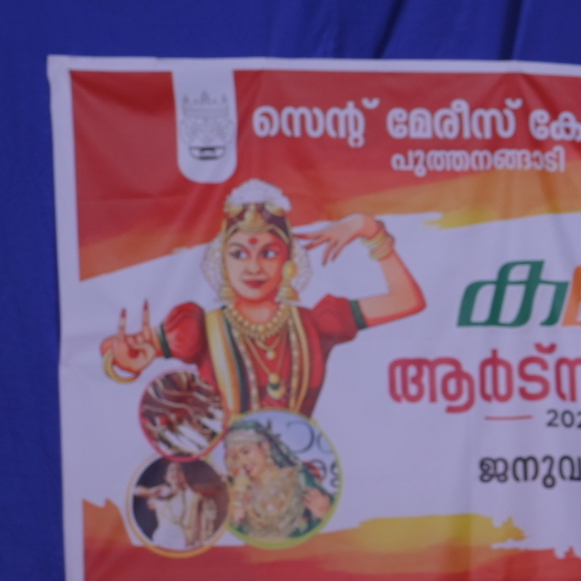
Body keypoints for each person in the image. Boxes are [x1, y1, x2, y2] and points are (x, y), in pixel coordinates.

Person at [98, 179, 426, 419]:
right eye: (239, 254)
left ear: (288, 262)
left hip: (301, 481)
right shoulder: (199, 330)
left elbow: (407, 299)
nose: (253, 267)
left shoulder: (317, 324)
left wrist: (368, 229)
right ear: (222, 263)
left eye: (268, 253)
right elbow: (111, 349)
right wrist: (127, 358)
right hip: (225, 482)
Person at [221, 415, 336, 545]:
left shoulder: (298, 478)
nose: (241, 461)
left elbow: (334, 521)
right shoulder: (238, 499)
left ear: (265, 447)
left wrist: (325, 512)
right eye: (234, 457)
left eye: (246, 451)